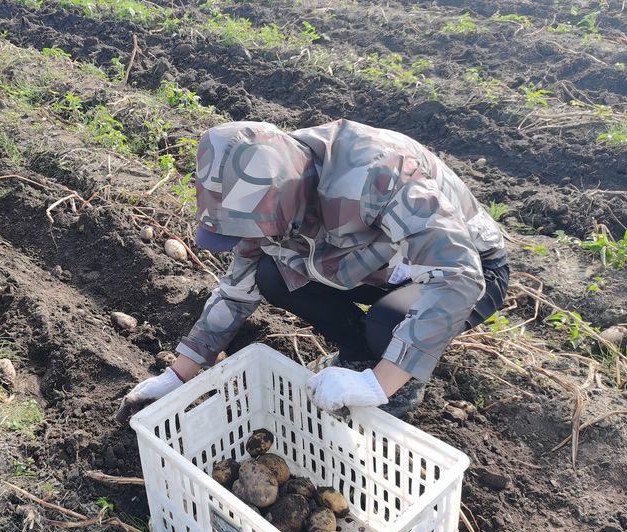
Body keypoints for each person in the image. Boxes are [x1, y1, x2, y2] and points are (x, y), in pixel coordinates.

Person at [117, 119, 509, 422]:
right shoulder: (260, 192)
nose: (248, 239)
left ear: (286, 206)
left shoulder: (377, 174)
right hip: (374, 264)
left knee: (387, 325)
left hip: (470, 271)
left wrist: (378, 384)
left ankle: (398, 383)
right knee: (271, 275)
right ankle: (358, 357)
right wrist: (177, 376)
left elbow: (457, 276)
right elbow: (237, 291)